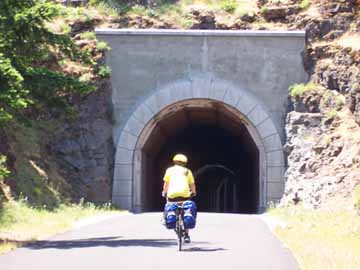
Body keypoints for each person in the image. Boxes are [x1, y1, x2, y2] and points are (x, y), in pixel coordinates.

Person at [162, 153, 196, 243]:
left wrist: (164, 192)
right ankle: (187, 235)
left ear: (174, 161)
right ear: (185, 163)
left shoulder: (169, 170)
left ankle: (168, 218)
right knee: (187, 211)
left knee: (169, 204)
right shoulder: (187, 171)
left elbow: (166, 184)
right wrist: (193, 192)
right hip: (185, 196)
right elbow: (192, 184)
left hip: (172, 196)